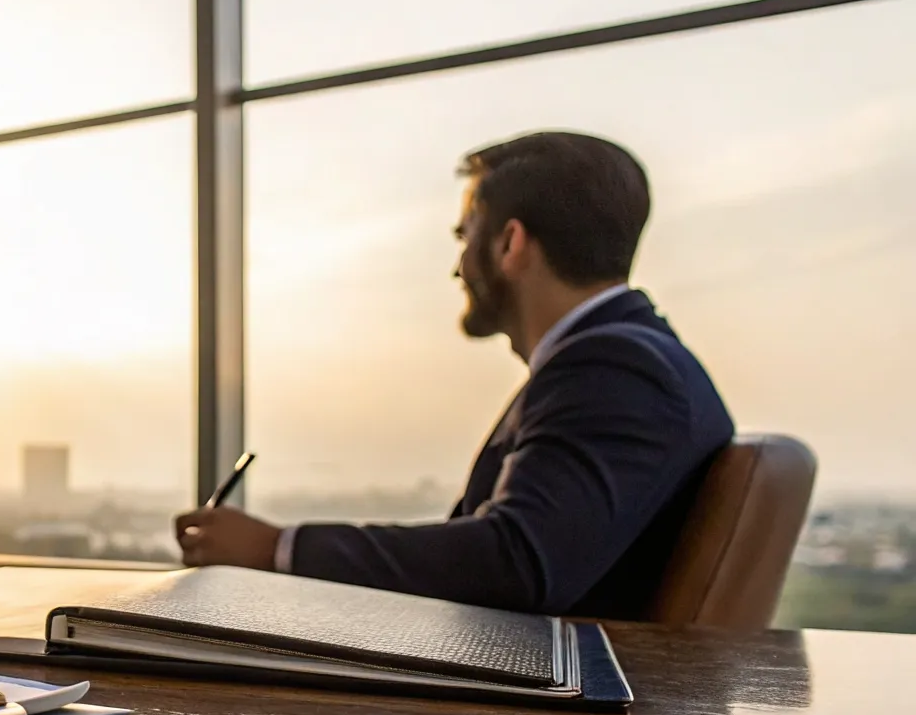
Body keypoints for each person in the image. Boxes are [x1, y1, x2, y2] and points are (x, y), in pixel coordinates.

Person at [175, 131, 734, 618]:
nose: (456, 267)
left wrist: (277, 548)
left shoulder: (613, 368)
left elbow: (516, 562)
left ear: (510, 244)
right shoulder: (628, 357)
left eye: (465, 236)